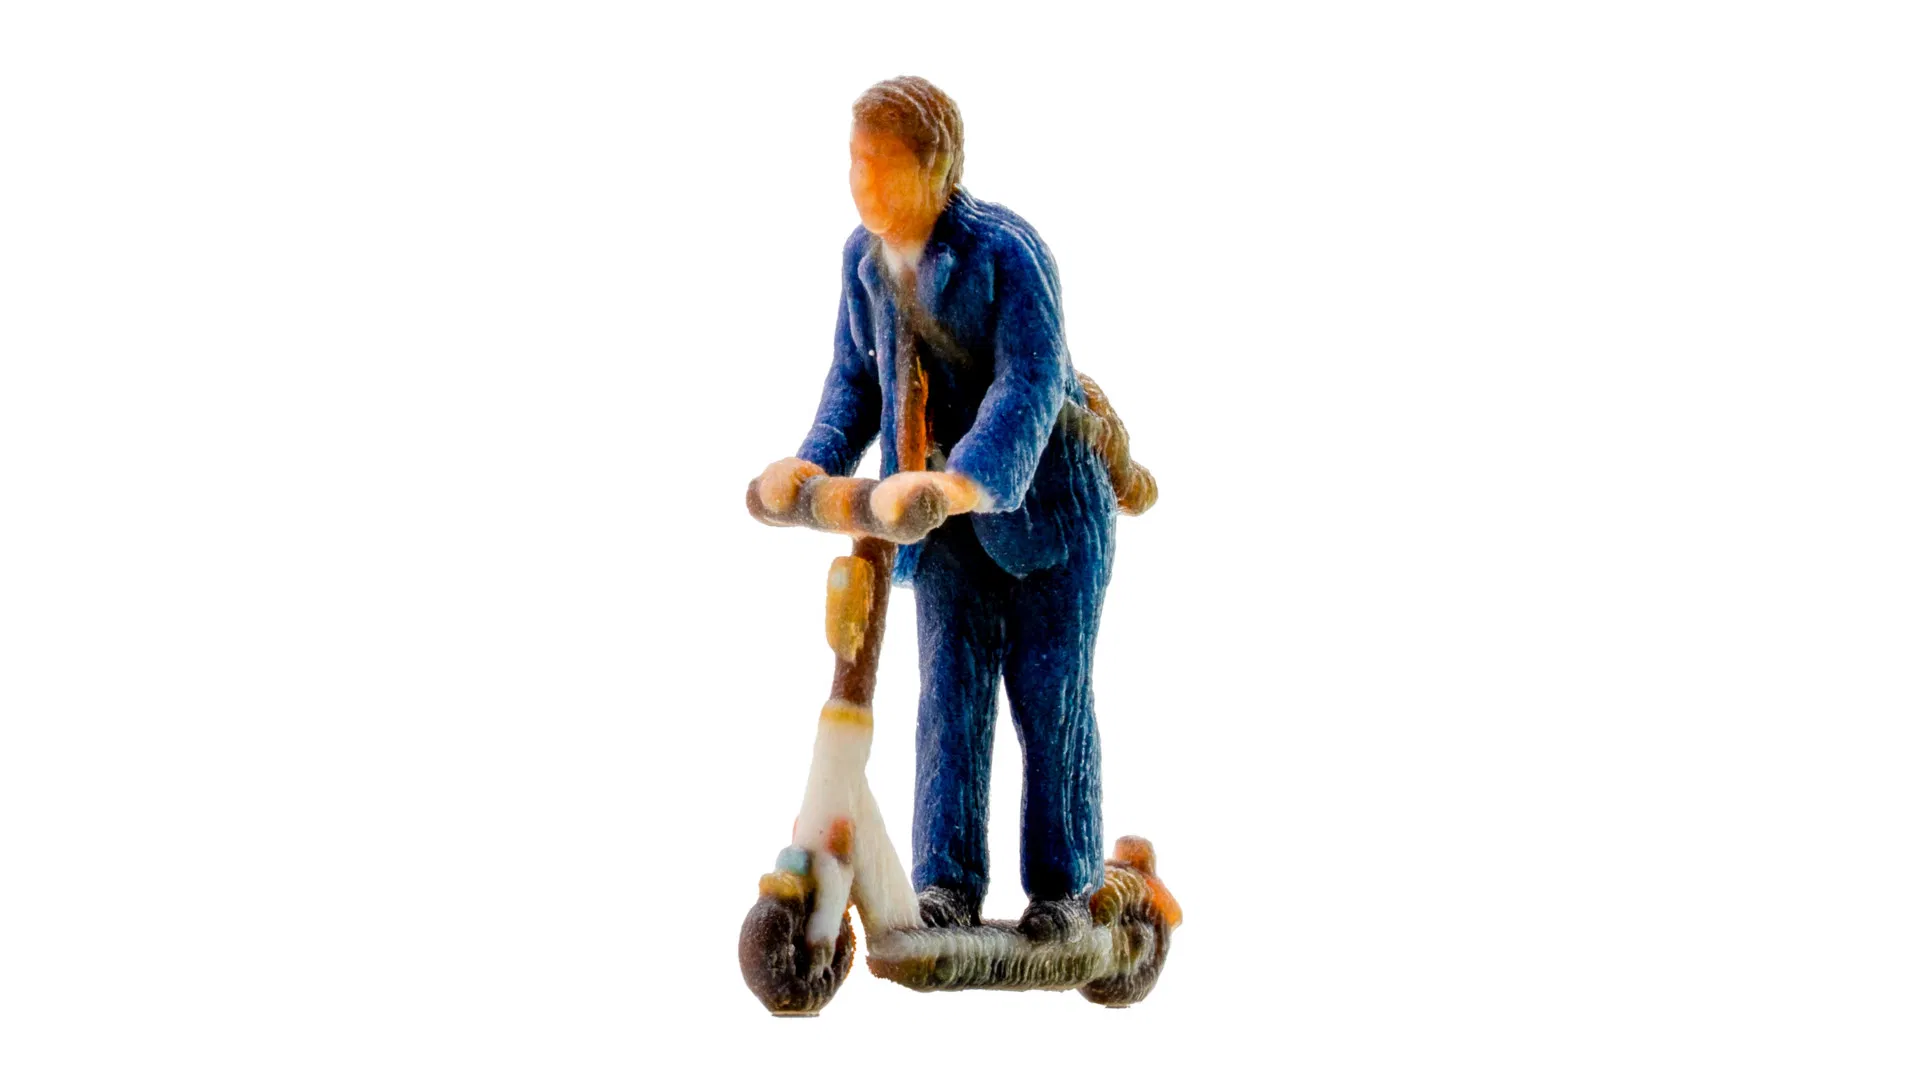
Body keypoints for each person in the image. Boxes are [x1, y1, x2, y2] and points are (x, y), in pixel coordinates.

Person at [755, 76, 1118, 942]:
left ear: (937, 168)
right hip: (929, 513)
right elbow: (856, 380)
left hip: (1045, 512)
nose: (864, 183)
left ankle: (1064, 891)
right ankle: (947, 884)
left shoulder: (1006, 253)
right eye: (855, 162)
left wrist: (964, 483)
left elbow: (1031, 382)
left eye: (883, 165)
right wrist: (812, 464)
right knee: (948, 699)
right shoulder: (863, 261)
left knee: (1049, 699)